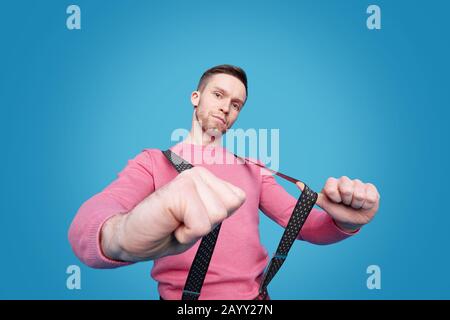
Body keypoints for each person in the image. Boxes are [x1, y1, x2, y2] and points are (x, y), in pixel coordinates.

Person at [68, 64, 380, 300]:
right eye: (218, 95)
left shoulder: (253, 169)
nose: (226, 107)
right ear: (196, 97)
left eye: (236, 104)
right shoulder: (153, 162)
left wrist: (345, 223)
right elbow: (93, 217)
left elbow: (304, 225)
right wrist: (119, 236)